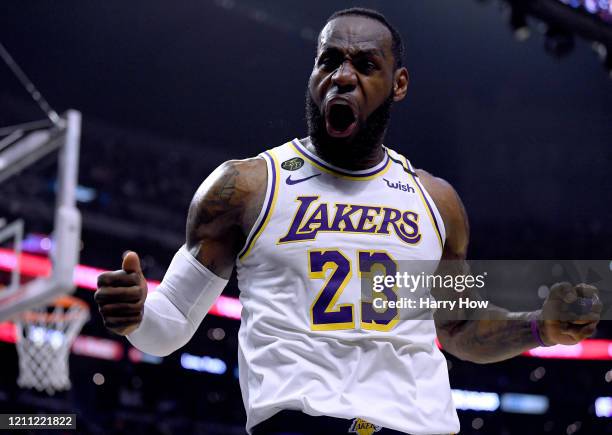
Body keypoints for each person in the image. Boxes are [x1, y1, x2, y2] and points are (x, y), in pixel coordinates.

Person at [95, 8, 601, 435]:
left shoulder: (437, 201)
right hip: (301, 423)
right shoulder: (244, 187)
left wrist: (538, 327)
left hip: (418, 425)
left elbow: (460, 327)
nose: (342, 75)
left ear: (398, 84)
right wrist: (138, 315)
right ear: (313, 74)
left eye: (365, 63)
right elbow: (173, 325)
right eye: (330, 60)